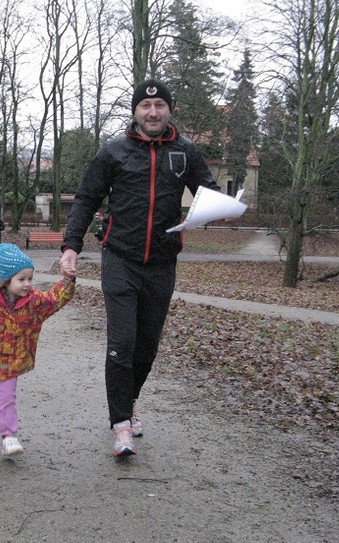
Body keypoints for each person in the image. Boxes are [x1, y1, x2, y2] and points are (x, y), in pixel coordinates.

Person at [60, 79, 225, 457]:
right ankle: (120, 426)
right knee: (122, 344)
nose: (153, 113)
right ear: (135, 111)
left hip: (162, 263)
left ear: (168, 110)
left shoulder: (186, 152)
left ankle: (127, 403)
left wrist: (220, 208)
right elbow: (86, 198)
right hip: (120, 259)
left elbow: (208, 193)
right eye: (145, 107)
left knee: (146, 348)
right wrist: (72, 246)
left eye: (160, 106)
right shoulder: (113, 152)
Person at [0, 243, 75, 456]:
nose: (27, 284)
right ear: (6, 280)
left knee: (7, 398)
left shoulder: (34, 302)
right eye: (21, 279)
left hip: (12, 362)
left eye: (30, 278)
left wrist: (69, 280)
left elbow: (55, 299)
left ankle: (9, 436)